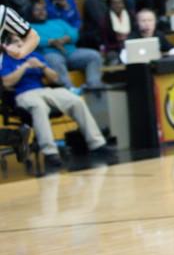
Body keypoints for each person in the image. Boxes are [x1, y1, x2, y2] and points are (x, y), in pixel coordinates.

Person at [0, 33, 111, 170]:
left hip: (44, 90)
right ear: (5, 46)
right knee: (39, 107)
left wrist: (42, 67)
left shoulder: (33, 55)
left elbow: (55, 78)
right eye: (15, 42)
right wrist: (25, 66)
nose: (20, 44)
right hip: (22, 94)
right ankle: (50, 153)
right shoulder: (5, 60)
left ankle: (97, 144)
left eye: (20, 41)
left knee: (76, 100)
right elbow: (6, 82)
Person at [28, 0, 104, 90]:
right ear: (31, 12)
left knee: (93, 56)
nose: (41, 12)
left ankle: (93, 85)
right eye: (37, 10)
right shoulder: (29, 26)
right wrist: (50, 42)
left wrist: (67, 38)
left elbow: (75, 34)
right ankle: (70, 89)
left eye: (43, 9)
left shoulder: (58, 22)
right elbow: (30, 41)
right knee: (55, 60)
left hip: (70, 53)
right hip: (50, 54)